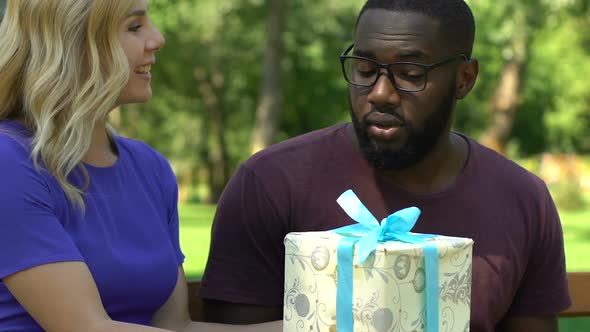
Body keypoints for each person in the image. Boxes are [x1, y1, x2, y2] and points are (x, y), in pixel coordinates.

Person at [199, 0, 571, 330]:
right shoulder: (269, 184)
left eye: (410, 74)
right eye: (364, 68)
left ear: (464, 79)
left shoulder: (522, 199)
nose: (380, 93)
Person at [0, 0, 282, 331]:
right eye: (134, 27)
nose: (158, 38)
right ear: (72, 43)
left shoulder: (150, 169)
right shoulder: (10, 163)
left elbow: (176, 326)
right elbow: (87, 327)